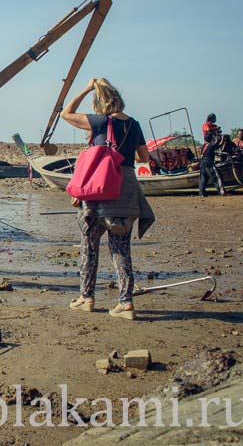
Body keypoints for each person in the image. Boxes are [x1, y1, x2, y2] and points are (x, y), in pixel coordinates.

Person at [60, 77, 156, 321]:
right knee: (121, 247)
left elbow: (66, 113)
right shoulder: (134, 124)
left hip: (99, 192)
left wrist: (85, 88)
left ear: (99, 103)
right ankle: (125, 303)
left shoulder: (101, 121)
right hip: (126, 189)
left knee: (89, 245)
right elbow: (143, 156)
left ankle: (86, 297)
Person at [199, 129, 226, 197]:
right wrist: (222, 138)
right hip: (209, 164)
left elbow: (215, 144)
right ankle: (221, 192)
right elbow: (219, 144)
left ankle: (202, 193)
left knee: (203, 179)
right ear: (211, 138)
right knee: (217, 178)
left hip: (202, 164)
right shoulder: (211, 145)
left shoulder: (203, 146)